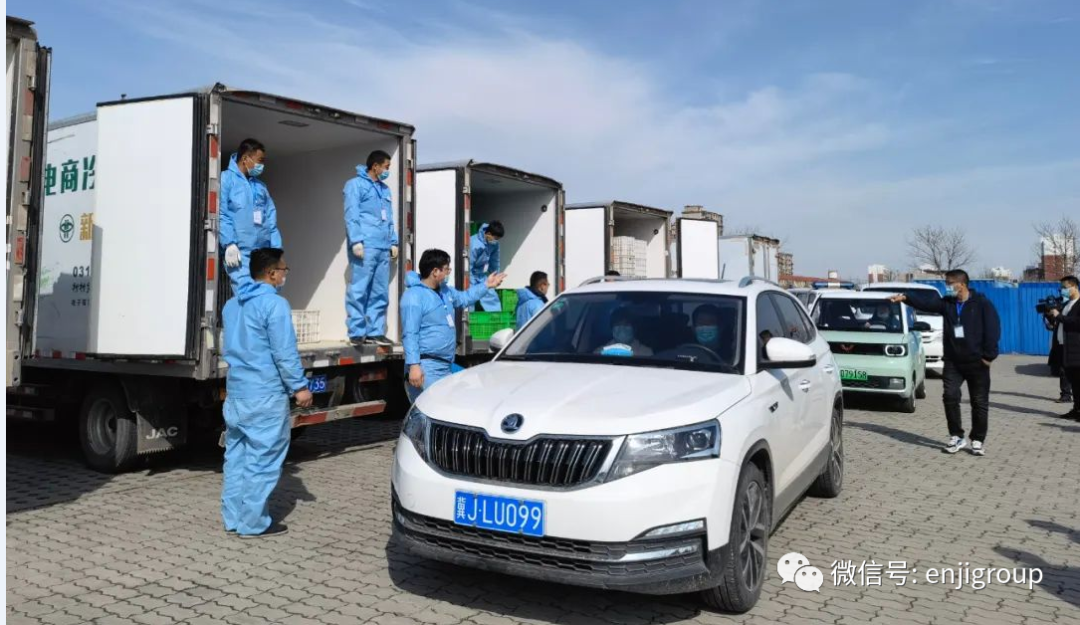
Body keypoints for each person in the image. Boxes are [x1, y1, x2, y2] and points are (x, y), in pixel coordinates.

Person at [221, 248, 313, 538]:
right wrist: (299, 387)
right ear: (272, 273)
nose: (285, 274)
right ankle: (253, 524)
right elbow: (283, 352)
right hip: (265, 394)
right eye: (284, 270)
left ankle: (233, 518)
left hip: (237, 393)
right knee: (262, 460)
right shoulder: (275, 305)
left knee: (236, 458)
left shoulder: (232, 305)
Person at [891, 270, 1000, 456]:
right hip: (953, 362)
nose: (946, 287)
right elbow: (927, 303)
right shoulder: (947, 303)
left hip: (977, 363)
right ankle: (956, 436)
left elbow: (993, 329)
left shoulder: (982, 304)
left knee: (979, 402)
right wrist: (906, 297)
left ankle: (978, 439)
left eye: (949, 283)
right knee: (950, 396)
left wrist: (988, 357)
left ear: (962, 284)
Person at [401, 249, 506, 402]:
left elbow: (464, 298)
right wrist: (414, 366)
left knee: (468, 395)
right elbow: (410, 334)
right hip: (427, 366)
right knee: (431, 408)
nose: (448, 272)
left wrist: (486, 286)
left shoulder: (445, 291)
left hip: (446, 364)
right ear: (435, 271)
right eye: (446, 269)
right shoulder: (414, 296)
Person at [344, 150, 399, 347]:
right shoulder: (355, 185)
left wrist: (393, 242)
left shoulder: (385, 189)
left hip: (382, 246)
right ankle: (357, 332)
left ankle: (375, 331)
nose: (387, 170)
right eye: (386, 167)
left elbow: (389, 218)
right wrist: (356, 241)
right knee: (359, 289)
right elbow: (351, 214)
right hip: (365, 245)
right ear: (375, 166)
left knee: (380, 291)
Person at [220, 139, 282, 292]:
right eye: (260, 160)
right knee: (247, 293)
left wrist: (276, 251)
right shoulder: (226, 179)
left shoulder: (260, 186)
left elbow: (271, 220)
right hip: (240, 252)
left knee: (266, 293)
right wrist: (229, 244)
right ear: (245, 158)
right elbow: (222, 213)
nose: (262, 165)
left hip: (263, 254)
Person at [1048, 275, 1080, 420]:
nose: (1062, 291)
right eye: (1061, 288)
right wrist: (1051, 316)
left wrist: (1059, 316)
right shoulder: (1067, 304)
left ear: (1074, 287)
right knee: (1072, 381)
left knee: (1078, 381)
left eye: (1065, 287)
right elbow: (1059, 322)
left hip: (1076, 348)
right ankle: (1076, 409)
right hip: (1063, 347)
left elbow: (1077, 323)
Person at [470, 221, 505, 311]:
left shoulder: (494, 244)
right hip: (470, 274)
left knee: (491, 295)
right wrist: (472, 283)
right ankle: (468, 317)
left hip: (481, 275)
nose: (496, 241)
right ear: (488, 234)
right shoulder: (474, 243)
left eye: (498, 239)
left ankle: (496, 317)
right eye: (495, 238)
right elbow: (469, 265)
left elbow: (495, 261)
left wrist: (495, 276)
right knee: (470, 296)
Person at [1045, 295, 1073, 404]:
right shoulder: (1064, 305)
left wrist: (1058, 315)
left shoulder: (1074, 307)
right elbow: (1054, 324)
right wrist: (1049, 315)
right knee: (1063, 370)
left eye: (1065, 288)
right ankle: (1066, 395)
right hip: (1061, 343)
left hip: (1072, 343)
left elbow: (1071, 322)